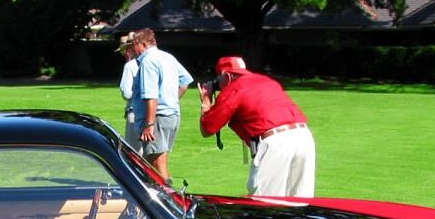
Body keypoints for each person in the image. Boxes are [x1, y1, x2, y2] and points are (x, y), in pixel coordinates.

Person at [198, 55, 315, 197]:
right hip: (304, 138)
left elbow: (208, 128)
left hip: (276, 143)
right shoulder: (266, 81)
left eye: (218, 79)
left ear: (227, 76)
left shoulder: (234, 88)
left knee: (264, 203)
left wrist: (206, 101)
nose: (218, 84)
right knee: (300, 202)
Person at [131, 29, 193, 181]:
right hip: (172, 116)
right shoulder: (168, 57)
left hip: (157, 118)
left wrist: (149, 124)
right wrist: (172, 99)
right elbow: (185, 81)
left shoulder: (148, 61)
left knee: (157, 165)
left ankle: (171, 200)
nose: (133, 50)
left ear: (143, 44)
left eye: (134, 45)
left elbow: (150, 95)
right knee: (153, 162)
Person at [116, 33, 141, 150]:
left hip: (134, 111)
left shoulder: (129, 66)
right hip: (151, 112)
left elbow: (126, 93)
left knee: (134, 152)